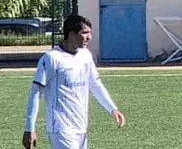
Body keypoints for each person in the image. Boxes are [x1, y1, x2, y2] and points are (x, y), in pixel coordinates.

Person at [23, 15, 126, 149]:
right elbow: (36, 93)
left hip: (81, 127)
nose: (89, 37)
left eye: (90, 33)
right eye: (85, 33)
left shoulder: (85, 55)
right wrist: (30, 127)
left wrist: (113, 108)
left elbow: (95, 84)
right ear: (71, 34)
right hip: (60, 128)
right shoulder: (51, 58)